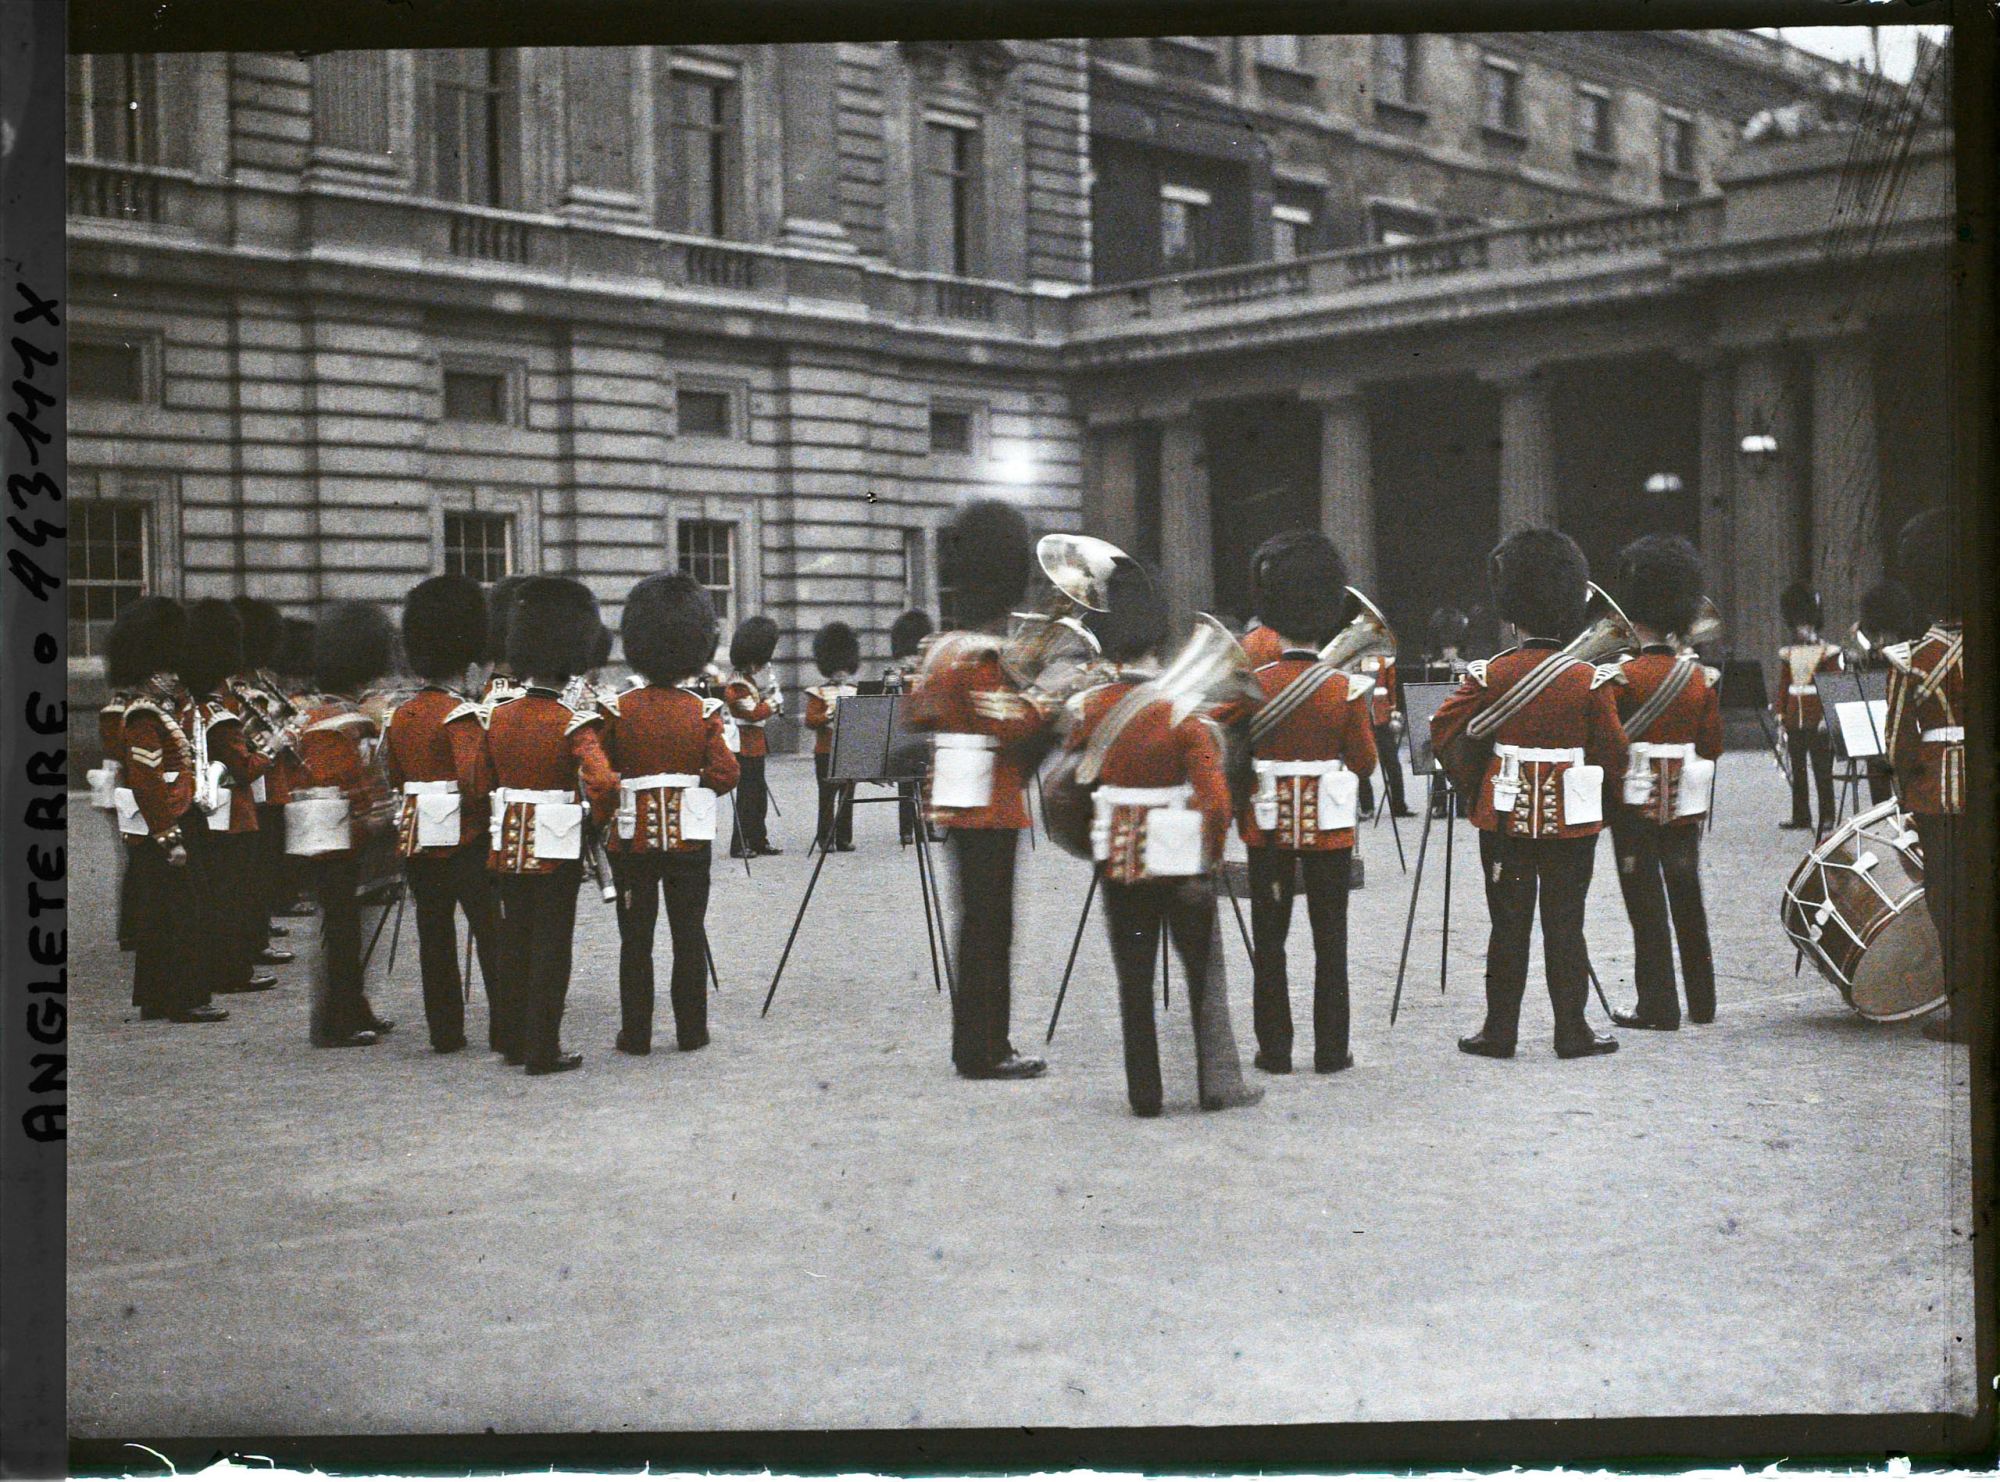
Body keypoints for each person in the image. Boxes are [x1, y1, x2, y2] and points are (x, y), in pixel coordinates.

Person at [1059, 560, 1262, 1117]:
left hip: (1119, 855)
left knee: (1133, 978)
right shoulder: (1182, 714)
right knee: (1201, 972)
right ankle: (1214, 1086)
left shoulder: (1089, 709)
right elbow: (1215, 799)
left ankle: (1145, 1093)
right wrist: (1212, 854)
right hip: (1179, 855)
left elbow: (1073, 777)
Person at [1432, 528, 1628, 1061]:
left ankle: (1500, 1030)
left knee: (1507, 926)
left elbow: (1445, 731)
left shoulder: (1490, 674)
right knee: (1567, 924)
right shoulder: (1589, 679)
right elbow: (1614, 755)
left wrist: (1476, 787)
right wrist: (1599, 804)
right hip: (1573, 820)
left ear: (1512, 612)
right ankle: (1572, 1031)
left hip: (1503, 816)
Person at [906, 500, 1052, 1081]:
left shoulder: (941, 649)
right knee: (992, 929)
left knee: (974, 925)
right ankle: (987, 1048)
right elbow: (1011, 725)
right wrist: (1050, 699)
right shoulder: (982, 656)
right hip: (990, 804)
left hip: (956, 796)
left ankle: (977, 1041)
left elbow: (919, 715)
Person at [1235, 531, 1378, 1075]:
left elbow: (1232, 750)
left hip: (1268, 824)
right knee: (1330, 942)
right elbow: (1364, 763)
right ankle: (1330, 1050)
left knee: (1270, 942)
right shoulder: (1342, 688)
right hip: (1329, 829)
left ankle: (1275, 1049)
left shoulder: (1253, 684)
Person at [471, 577, 620, 1075]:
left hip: (509, 840)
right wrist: (589, 823)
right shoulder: (571, 720)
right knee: (551, 949)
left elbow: (478, 779)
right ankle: (543, 1047)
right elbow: (602, 784)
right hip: (555, 844)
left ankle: (513, 1040)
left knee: (514, 943)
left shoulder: (499, 716)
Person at [600, 573, 740, 1055]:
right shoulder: (702, 712)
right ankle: (691, 1031)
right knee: (687, 934)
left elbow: (602, 775)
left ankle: (635, 1033)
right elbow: (726, 773)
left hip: (632, 842)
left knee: (635, 940)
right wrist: (691, 786)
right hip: (687, 842)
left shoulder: (616, 710)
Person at [1602, 535, 1725, 1032]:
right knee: (1687, 894)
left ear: (1633, 621)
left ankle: (1658, 1005)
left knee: (1645, 903)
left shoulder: (1620, 676)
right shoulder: (1698, 679)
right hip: (1683, 803)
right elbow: (1713, 746)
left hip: (1633, 804)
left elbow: (1609, 747)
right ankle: (1703, 1001)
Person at [384, 575, 505, 1054]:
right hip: (467, 840)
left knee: (434, 939)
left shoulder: (402, 715)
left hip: (419, 840)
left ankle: (445, 1032)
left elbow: (395, 776)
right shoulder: (462, 716)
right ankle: (506, 1025)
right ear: (468, 663)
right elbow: (476, 782)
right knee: (491, 937)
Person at [104, 599, 231, 1023]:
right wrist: (167, 834)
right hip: (168, 822)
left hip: (177, 815)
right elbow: (147, 782)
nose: (174, 677)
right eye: (166, 671)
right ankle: (183, 998)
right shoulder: (143, 715)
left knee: (163, 914)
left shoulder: (162, 711)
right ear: (148, 671)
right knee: (183, 913)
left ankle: (158, 998)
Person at [293, 602, 401, 1048]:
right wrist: (373, 817)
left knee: (350, 930)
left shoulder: (342, 713)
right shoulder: (329, 720)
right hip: (337, 838)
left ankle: (355, 1007)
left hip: (353, 836)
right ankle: (333, 1022)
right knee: (339, 932)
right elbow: (335, 782)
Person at [1881, 509, 1966, 1045]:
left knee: (1949, 903)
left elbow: (1897, 743)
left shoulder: (1914, 659)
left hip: (1938, 792)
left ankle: (1967, 1008)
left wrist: (1906, 794)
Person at [179, 599, 280, 999]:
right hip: (232, 814)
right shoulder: (219, 716)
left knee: (221, 897)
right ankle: (233, 971)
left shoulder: (194, 709)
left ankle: (226, 967)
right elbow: (244, 768)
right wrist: (272, 749)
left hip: (212, 812)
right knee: (233, 899)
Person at [228, 595, 304, 956]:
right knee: (255, 864)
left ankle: (261, 922)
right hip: (253, 779)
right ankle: (254, 935)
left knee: (267, 858)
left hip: (270, 778)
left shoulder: (257, 680)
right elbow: (240, 737)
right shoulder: (234, 690)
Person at [1774, 582, 1842, 833]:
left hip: (1817, 719)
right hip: (1795, 717)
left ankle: (1827, 816)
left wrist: (1828, 717)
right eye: (1798, 625)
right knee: (1798, 771)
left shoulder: (1828, 652)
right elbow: (1784, 685)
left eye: (1804, 625)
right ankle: (1801, 815)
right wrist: (1781, 713)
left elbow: (1833, 687)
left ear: (1813, 624)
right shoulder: (1788, 653)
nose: (1801, 630)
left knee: (1822, 771)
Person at [1850, 579, 1919, 806]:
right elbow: (1851, 653)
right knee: (1876, 770)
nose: (1880, 639)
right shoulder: (1866, 642)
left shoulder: (1907, 648)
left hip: (1901, 717)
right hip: (1876, 716)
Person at [723, 616, 783, 858]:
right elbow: (752, 713)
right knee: (747, 798)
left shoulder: (748, 681)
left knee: (758, 798)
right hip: (744, 746)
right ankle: (739, 844)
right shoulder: (737, 684)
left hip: (756, 746)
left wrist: (769, 695)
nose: (760, 667)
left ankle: (758, 839)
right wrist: (773, 703)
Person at [806, 620, 861, 852]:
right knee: (827, 798)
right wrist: (829, 714)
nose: (842, 674)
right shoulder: (817, 692)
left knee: (847, 797)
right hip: (826, 751)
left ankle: (843, 838)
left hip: (848, 751)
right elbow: (810, 721)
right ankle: (825, 838)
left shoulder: (855, 691)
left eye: (845, 669)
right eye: (838, 669)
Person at [885, 609, 936, 845]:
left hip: (924, 733)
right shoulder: (896, 675)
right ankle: (906, 830)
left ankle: (928, 827)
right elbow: (888, 700)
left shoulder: (927, 674)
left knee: (927, 783)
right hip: (904, 733)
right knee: (906, 785)